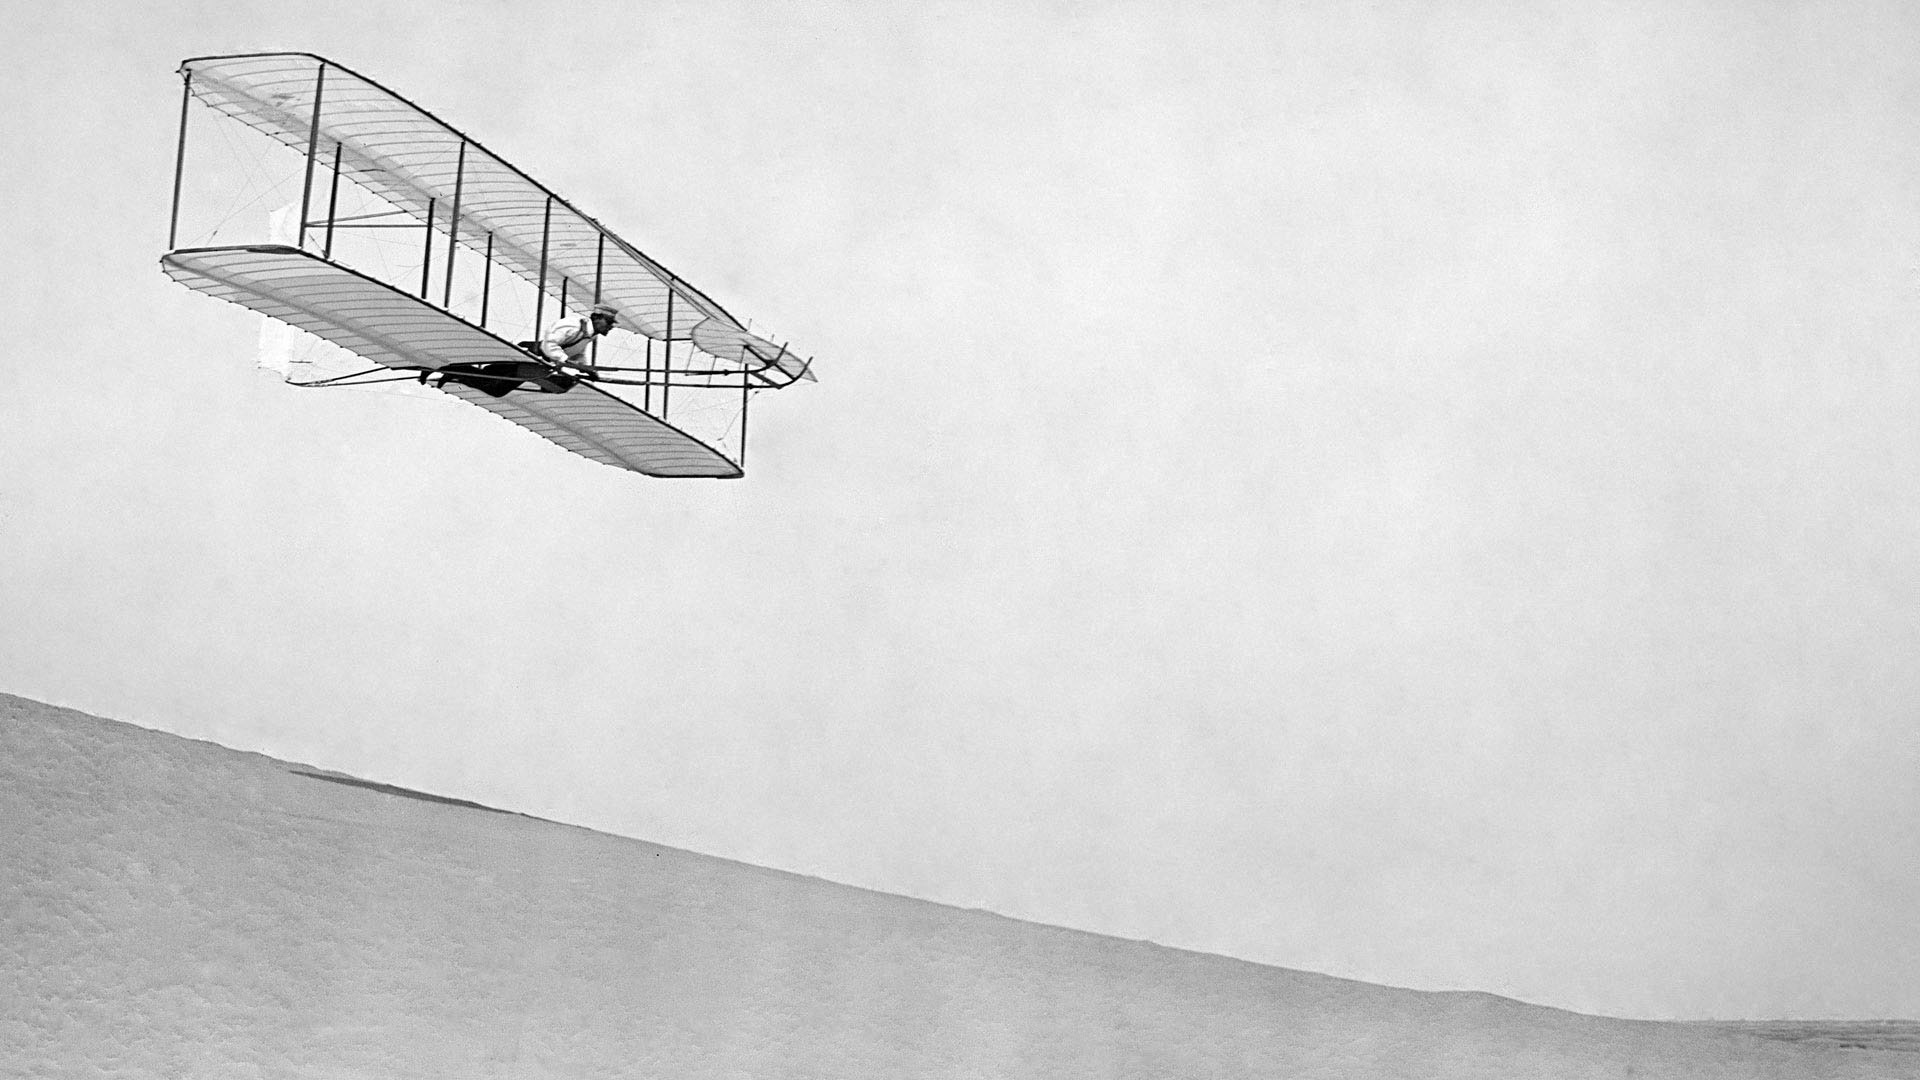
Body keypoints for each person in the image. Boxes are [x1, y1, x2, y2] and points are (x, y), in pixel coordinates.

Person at [536, 302, 617, 377]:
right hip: (536, 357)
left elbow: (578, 353)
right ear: (596, 318)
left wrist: (586, 368)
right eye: (609, 322)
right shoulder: (574, 325)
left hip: (548, 363)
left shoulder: (590, 334)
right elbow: (549, 344)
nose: (612, 326)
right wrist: (567, 361)